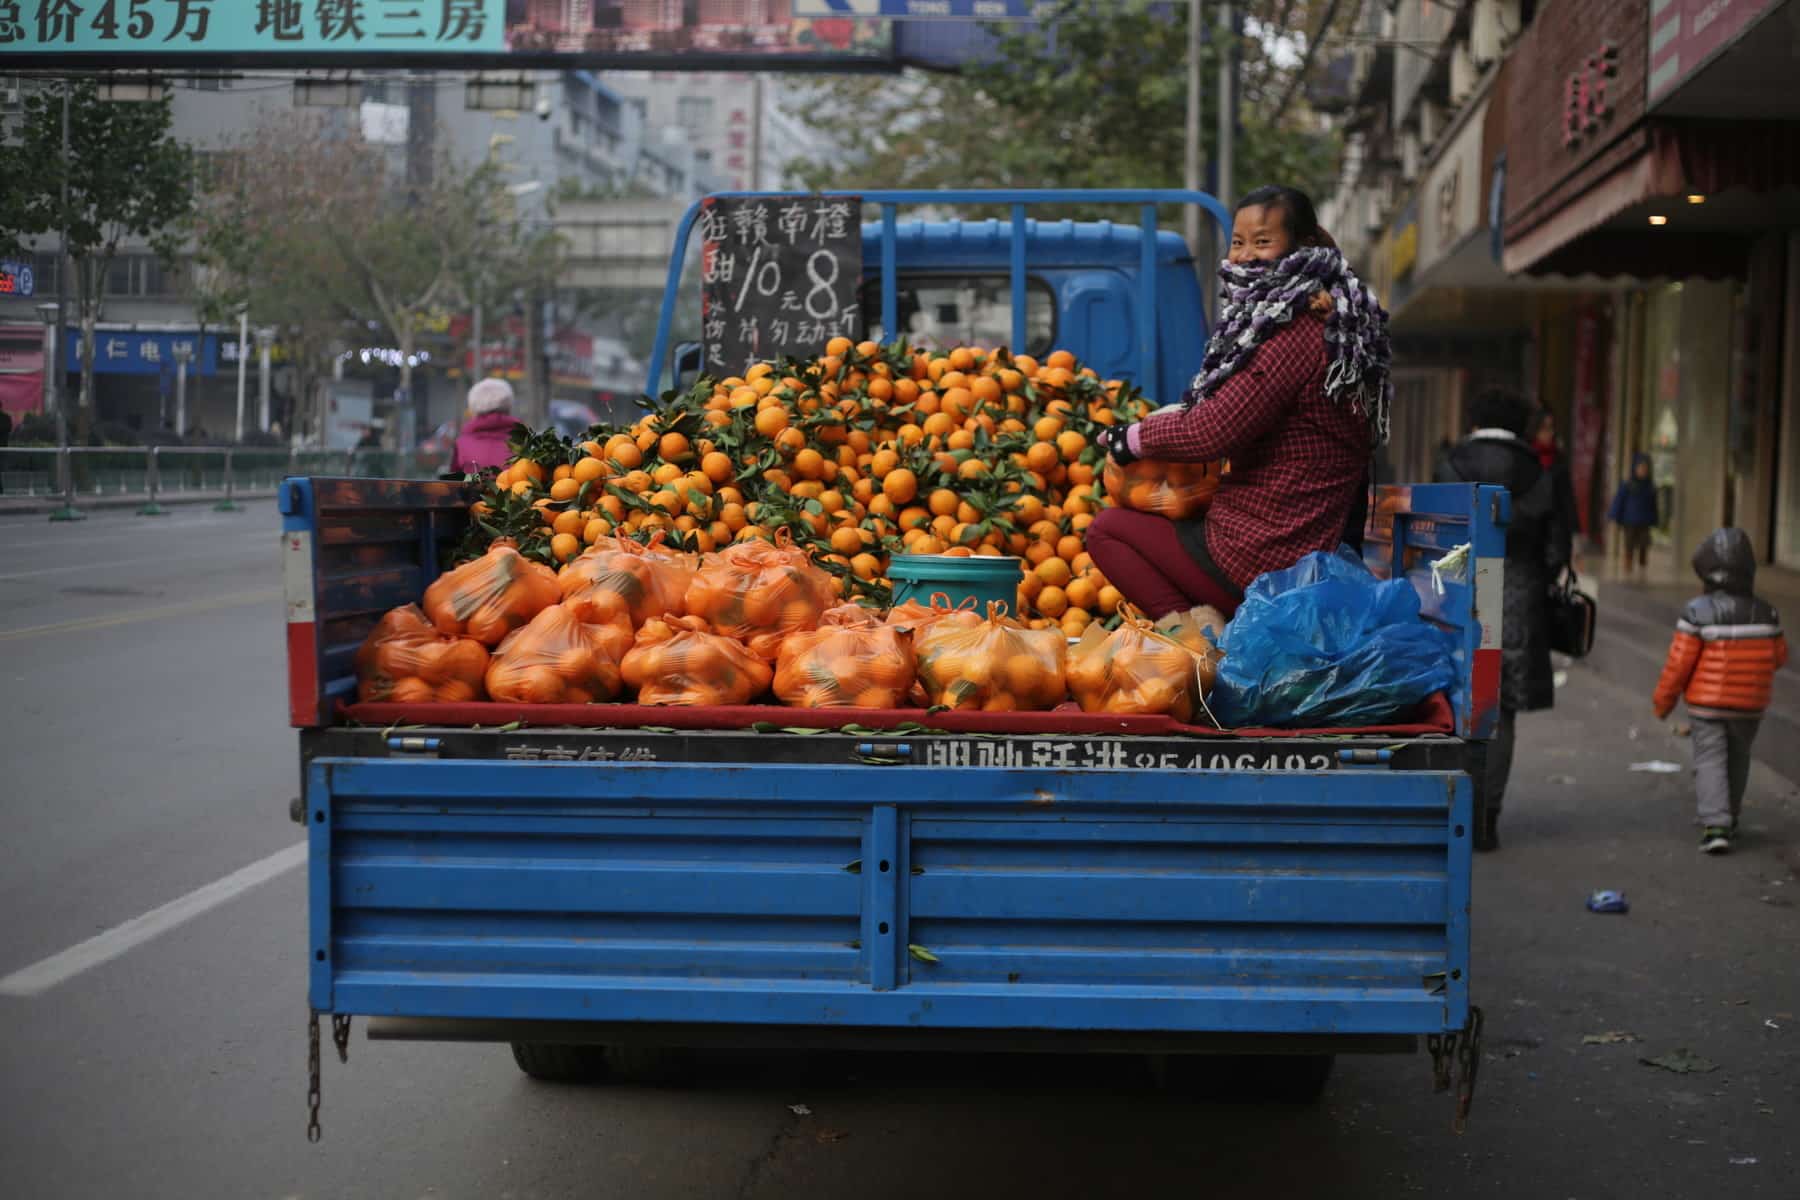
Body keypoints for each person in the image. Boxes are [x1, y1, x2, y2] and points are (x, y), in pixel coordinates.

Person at [1087, 184, 1391, 620]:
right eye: (1238, 242)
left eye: (1262, 242)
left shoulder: (1293, 331)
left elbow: (1211, 431)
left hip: (1267, 555)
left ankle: (1198, 641)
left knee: (1107, 531)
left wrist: (1131, 438)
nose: (1245, 256)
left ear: (1303, 246)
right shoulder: (1335, 322)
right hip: (1302, 544)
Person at [1436, 388, 1571, 851]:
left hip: (1460, 585)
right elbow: (1557, 546)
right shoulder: (1537, 470)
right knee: (1501, 705)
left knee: (1456, 695)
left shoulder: (1454, 462)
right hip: (1517, 594)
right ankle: (1488, 817)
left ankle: (1457, 810)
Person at [1651, 528, 1787, 854]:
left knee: (1710, 759)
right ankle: (1731, 816)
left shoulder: (1697, 611)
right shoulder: (1767, 613)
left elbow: (1679, 664)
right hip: (1750, 704)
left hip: (1706, 705)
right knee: (1738, 758)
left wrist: (1663, 701)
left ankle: (1715, 824)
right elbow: (1779, 657)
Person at [452, 378, 523, 474]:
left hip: (472, 489)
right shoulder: (525, 441)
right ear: (509, 405)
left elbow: (453, 481)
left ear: (473, 407)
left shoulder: (462, 443)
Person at [1608, 454, 1659, 576]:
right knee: (1629, 544)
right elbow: (1619, 501)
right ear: (1635, 468)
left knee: (1644, 544)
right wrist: (1614, 515)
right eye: (1640, 468)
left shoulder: (1650, 487)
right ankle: (1628, 564)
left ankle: (1642, 566)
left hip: (1644, 521)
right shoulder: (1628, 485)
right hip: (1629, 521)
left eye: (1645, 468)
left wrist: (1655, 519)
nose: (1642, 471)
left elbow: (1653, 506)